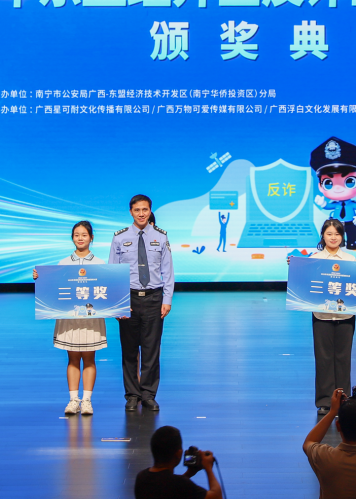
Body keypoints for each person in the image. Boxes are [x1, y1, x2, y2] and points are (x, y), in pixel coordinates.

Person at [33, 220, 106, 416]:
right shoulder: (62, 264)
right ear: (72, 238)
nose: (80, 238)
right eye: (76, 235)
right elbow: (54, 289)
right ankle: (74, 400)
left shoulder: (100, 264)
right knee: (72, 359)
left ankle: (87, 401)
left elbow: (108, 291)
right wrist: (40, 278)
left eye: (84, 235)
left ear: (91, 237)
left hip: (91, 319)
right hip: (69, 318)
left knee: (89, 359)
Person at [109, 194, 174, 411]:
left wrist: (167, 299)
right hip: (128, 298)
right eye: (137, 210)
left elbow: (168, 271)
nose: (141, 214)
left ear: (150, 211)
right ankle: (132, 395)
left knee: (151, 349)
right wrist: (117, 302)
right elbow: (112, 271)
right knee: (129, 350)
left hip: (154, 298)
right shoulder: (119, 237)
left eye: (145, 210)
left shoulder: (161, 236)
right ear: (131, 212)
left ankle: (148, 394)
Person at [309, 218, 356, 415]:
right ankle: (325, 401)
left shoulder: (350, 260)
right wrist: (295, 266)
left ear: (342, 236)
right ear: (323, 236)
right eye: (329, 234)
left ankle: (343, 399)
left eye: (337, 234)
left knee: (343, 358)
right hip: (321, 315)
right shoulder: (314, 259)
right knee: (323, 358)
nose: (333, 237)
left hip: (345, 316)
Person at [310, 136, 356, 250]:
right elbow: (329, 206)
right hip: (337, 223)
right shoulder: (336, 204)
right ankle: (339, 243)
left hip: (350, 222)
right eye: (328, 183)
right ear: (320, 186)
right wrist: (323, 204)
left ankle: (352, 242)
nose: (338, 188)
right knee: (337, 235)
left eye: (349, 181)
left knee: (351, 232)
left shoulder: (352, 204)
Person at [135, 425, 221, 499]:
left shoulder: (141, 477)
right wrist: (208, 468)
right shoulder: (180, 484)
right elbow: (217, 496)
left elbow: (166, 488)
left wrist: (189, 473)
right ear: (178, 453)